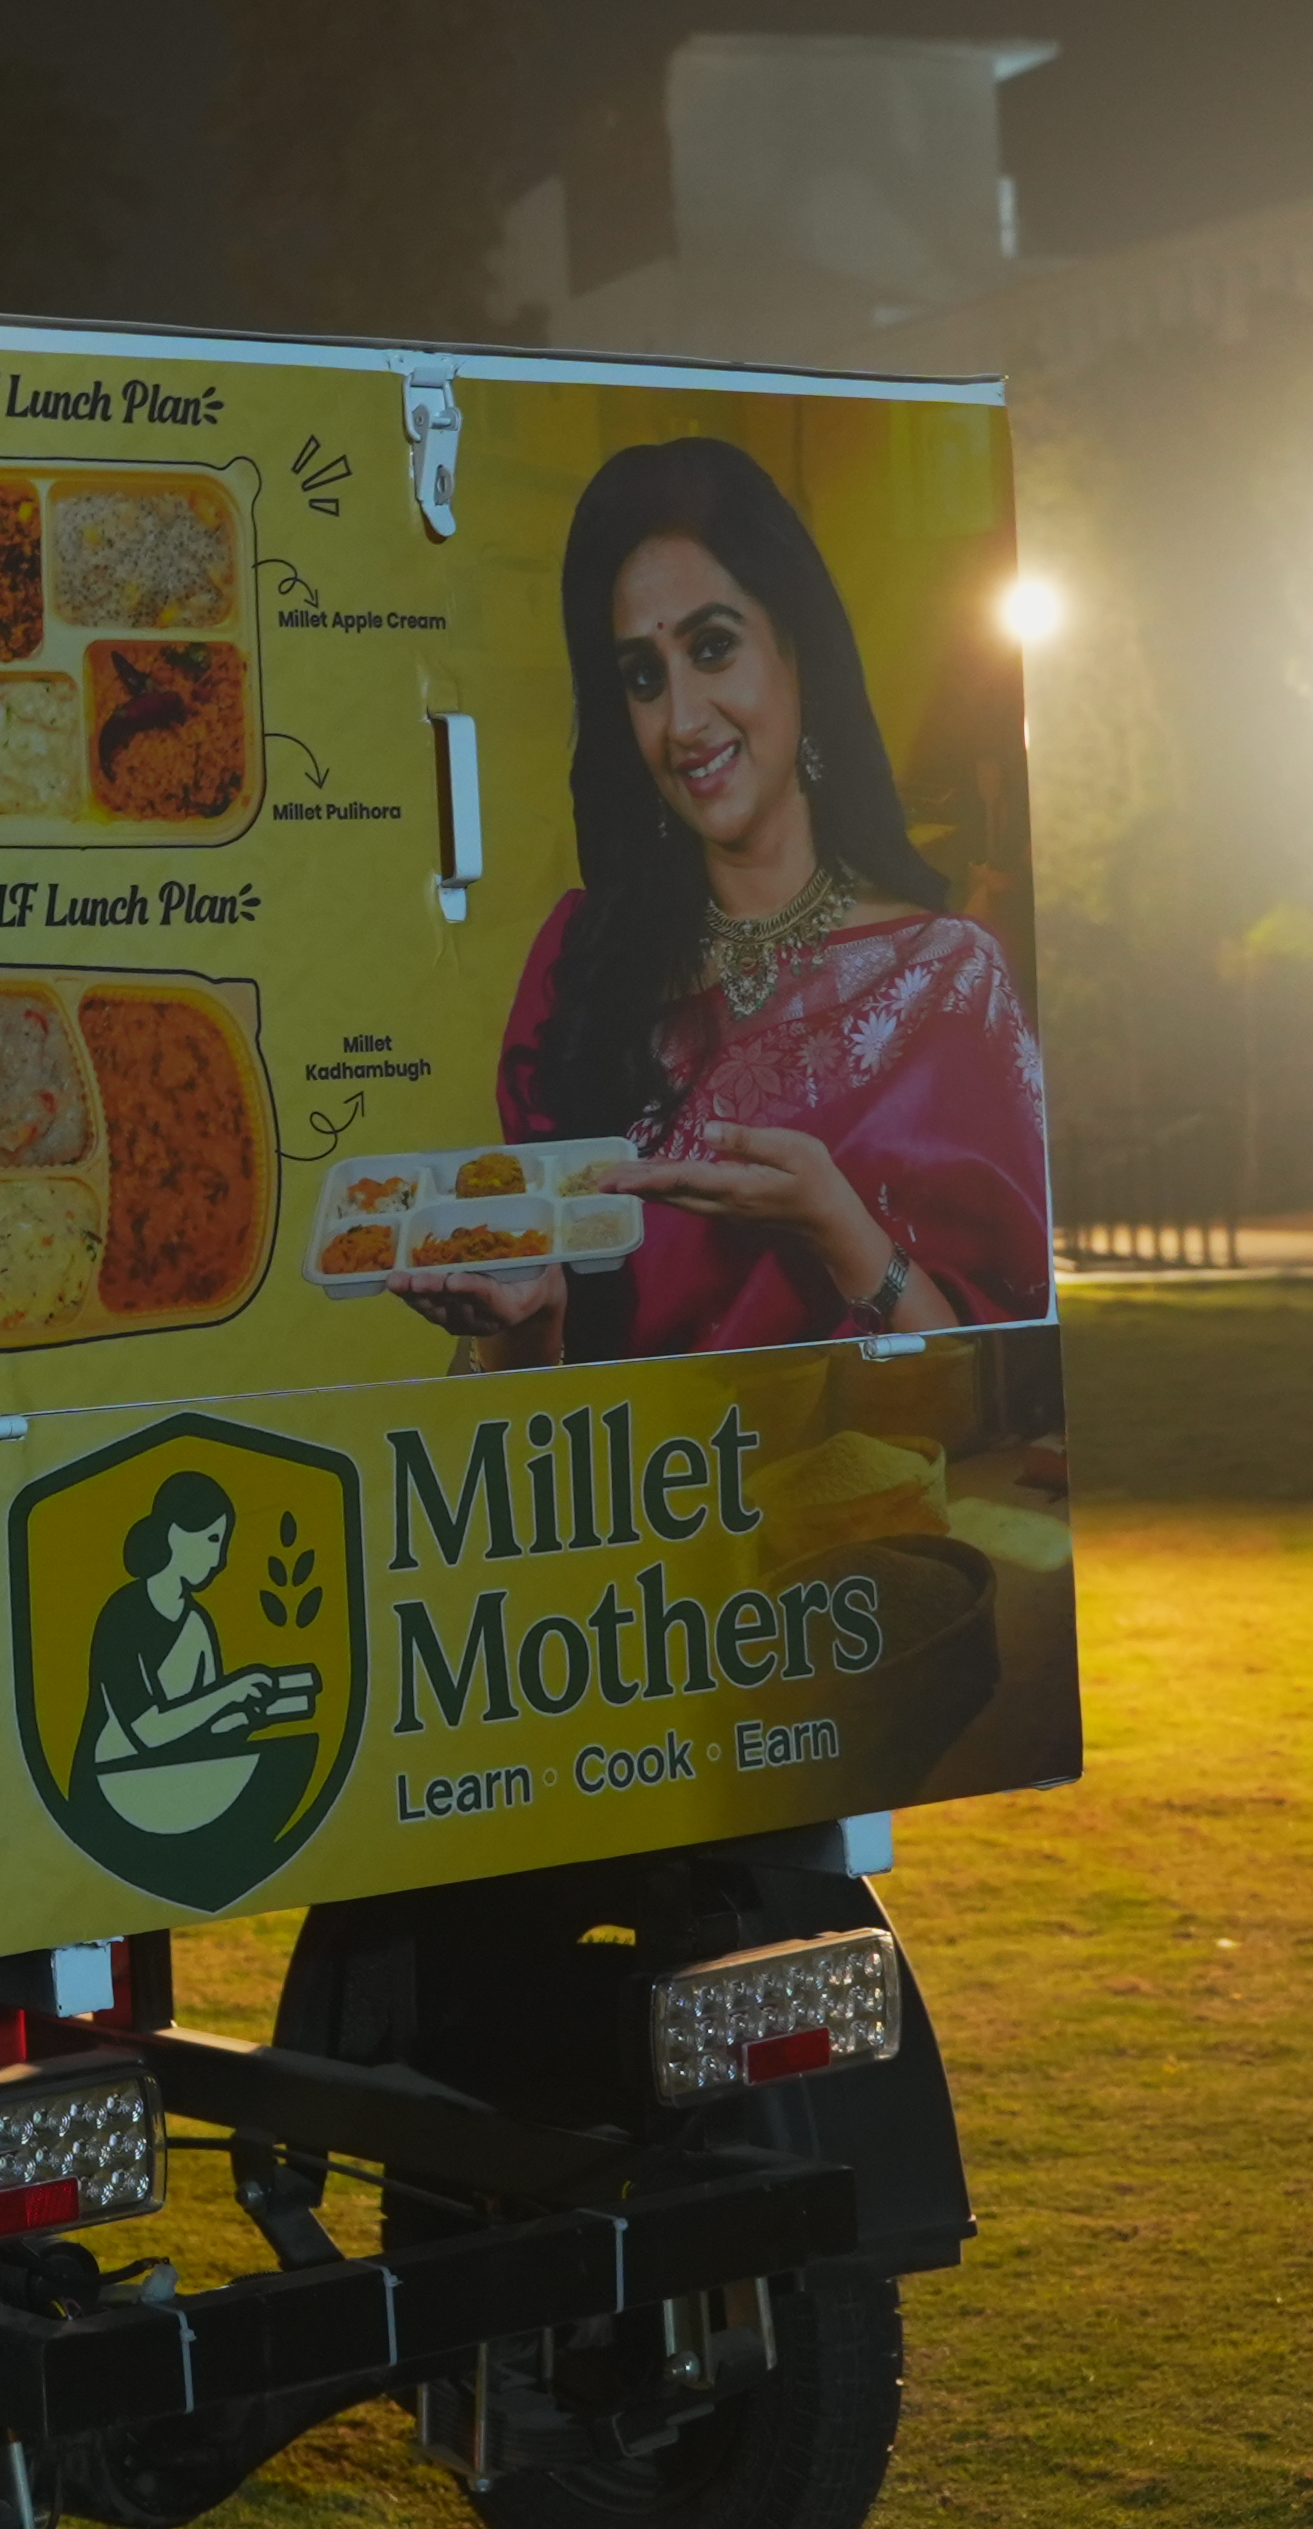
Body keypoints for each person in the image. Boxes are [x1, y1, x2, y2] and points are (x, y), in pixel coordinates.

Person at [427, 435, 1054, 1367]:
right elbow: (541, 1397)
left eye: (714, 647)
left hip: (877, 1501)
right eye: (644, 676)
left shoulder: (950, 981)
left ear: (797, 652)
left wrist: (836, 1223)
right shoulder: (583, 966)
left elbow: (1013, 1388)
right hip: (650, 1499)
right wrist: (521, 1323)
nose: (682, 721)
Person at [78, 1474, 310, 1835]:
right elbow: (147, 1730)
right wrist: (231, 1692)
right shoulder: (122, 1615)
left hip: (176, 1783)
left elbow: (202, 1730)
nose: (220, 1559)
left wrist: (246, 1717)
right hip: (114, 1787)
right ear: (173, 1534)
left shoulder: (198, 1623)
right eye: (212, 1539)